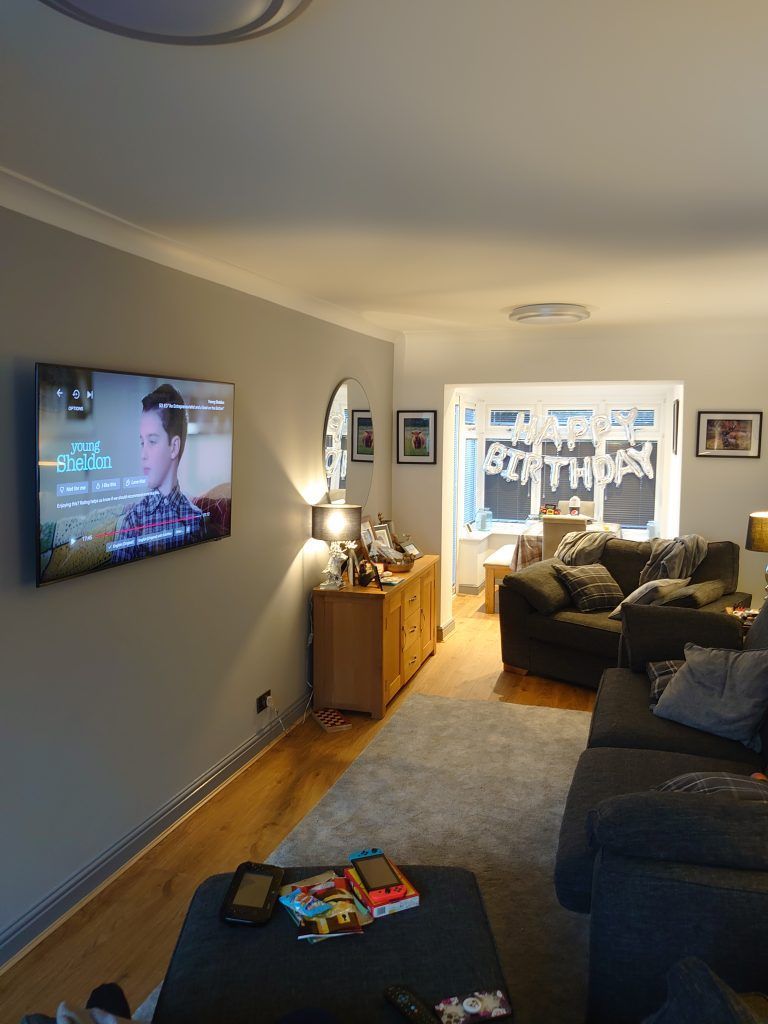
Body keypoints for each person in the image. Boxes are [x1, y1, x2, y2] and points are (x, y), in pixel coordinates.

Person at [111, 384, 206, 563]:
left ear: (174, 447)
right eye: (142, 443)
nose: (143, 454)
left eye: (152, 441)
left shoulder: (195, 519)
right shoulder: (134, 520)